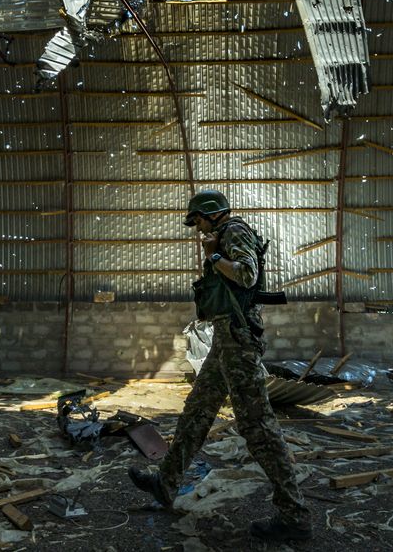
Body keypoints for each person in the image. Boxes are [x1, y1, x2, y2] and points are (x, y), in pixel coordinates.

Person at [128, 190, 311, 541]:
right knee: (196, 414)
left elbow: (246, 276)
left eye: (197, 220)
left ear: (212, 214)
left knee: (258, 429)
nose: (196, 228)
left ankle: (295, 516)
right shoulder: (223, 234)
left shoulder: (234, 232)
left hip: (239, 342)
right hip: (226, 340)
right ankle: (165, 485)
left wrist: (213, 258)